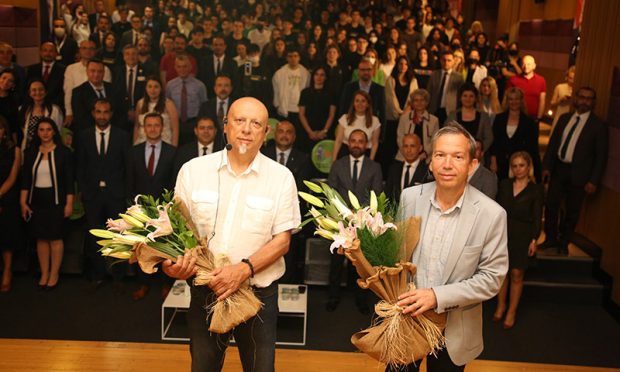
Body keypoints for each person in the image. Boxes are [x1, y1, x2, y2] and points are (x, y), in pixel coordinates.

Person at [165, 97, 301, 372]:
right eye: (239, 121)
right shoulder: (193, 171)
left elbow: (282, 241)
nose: (247, 129)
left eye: (256, 124)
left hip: (258, 297)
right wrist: (172, 265)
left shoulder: (281, 177)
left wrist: (243, 270)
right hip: (206, 292)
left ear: (266, 134)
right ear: (225, 126)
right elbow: (176, 234)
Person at [393, 123, 508, 371]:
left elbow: (491, 279)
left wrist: (436, 297)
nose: (447, 164)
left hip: (453, 329)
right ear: (430, 162)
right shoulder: (409, 198)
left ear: (472, 165)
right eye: (440, 155)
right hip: (405, 319)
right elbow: (397, 255)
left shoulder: (492, 214)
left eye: (457, 157)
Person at [541, 87, 608, 255]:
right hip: (559, 169)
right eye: (582, 97)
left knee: (572, 210)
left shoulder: (598, 126)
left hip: (580, 175)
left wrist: (594, 180)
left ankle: (564, 242)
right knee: (551, 205)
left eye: (589, 98)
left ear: (593, 102)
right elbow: (552, 145)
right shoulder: (564, 119)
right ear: (576, 99)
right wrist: (547, 167)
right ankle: (550, 239)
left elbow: (601, 157)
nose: (585, 101)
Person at [76, 99, 130, 292]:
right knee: (94, 237)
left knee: (119, 236)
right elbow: (80, 166)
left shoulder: (122, 136)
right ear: (93, 113)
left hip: (115, 195)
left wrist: (125, 193)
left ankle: (118, 276)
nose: (102, 115)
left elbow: (127, 166)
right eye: (98, 112)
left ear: (111, 113)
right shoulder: (83, 136)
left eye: (105, 112)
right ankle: (98, 275)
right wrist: (85, 191)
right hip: (92, 196)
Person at [327, 129, 383, 313]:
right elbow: (331, 193)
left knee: (361, 263)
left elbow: (375, 194)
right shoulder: (337, 164)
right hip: (340, 222)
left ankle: (361, 300)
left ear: (366, 145)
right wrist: (344, 213)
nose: (357, 144)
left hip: (364, 222)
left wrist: (359, 214)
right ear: (347, 143)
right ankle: (333, 297)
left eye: (361, 141)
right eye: (353, 141)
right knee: (336, 262)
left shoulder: (374, 167)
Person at [127, 112, 176, 300]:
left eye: (157, 125)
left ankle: (166, 285)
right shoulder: (134, 151)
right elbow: (129, 180)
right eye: (149, 125)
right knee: (142, 248)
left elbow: (174, 182)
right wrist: (132, 206)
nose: (153, 128)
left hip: (164, 210)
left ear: (162, 128)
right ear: (143, 128)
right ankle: (143, 284)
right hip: (140, 210)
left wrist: (170, 208)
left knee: (164, 249)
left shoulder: (172, 151)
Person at [20, 117, 74, 290]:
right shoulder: (31, 152)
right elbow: (26, 179)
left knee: (55, 238)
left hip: (57, 200)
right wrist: (23, 202)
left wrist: (69, 204)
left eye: (48, 129)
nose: (45, 133)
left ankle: (54, 273)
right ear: (37, 133)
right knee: (41, 238)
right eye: (41, 130)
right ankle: (44, 272)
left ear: (54, 131)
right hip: (37, 200)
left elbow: (69, 181)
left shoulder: (63, 152)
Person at [494, 151, 543, 329]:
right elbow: (497, 211)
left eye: (521, 165)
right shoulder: (505, 185)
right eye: (514, 166)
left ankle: (511, 312)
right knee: (502, 273)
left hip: (523, 235)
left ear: (529, 167)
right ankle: (500, 306)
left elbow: (538, 217)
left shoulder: (535, 189)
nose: (518, 169)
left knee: (516, 274)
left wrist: (534, 239)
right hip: (503, 234)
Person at [262, 120, 312, 283]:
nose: (284, 135)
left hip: (289, 216)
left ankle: (285, 289)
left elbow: (301, 190)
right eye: (281, 131)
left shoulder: (303, 158)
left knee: (288, 256)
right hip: (263, 215)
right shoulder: (262, 154)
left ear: (294, 136)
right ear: (274, 134)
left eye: (288, 132)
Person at [489, 87, 541, 182]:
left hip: (519, 166)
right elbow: (494, 142)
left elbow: (533, 148)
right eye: (511, 99)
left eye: (517, 99)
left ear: (521, 101)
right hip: (500, 164)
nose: (514, 102)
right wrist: (493, 161)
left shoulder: (529, 122)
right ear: (507, 101)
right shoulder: (499, 119)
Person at [63, 40, 112, 128]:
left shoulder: (105, 69)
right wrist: (69, 112)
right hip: (81, 109)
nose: (88, 51)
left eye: (91, 48)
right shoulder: (71, 69)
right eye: (84, 48)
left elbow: (107, 93)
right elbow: (68, 92)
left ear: (96, 51)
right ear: (79, 50)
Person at [165, 54, 207, 145]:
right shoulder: (170, 85)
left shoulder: (200, 86)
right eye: (179, 66)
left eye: (185, 66)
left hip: (193, 123)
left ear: (190, 67)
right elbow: (167, 106)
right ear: (175, 67)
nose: (182, 69)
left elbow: (204, 106)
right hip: (176, 123)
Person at [0, 117, 21, 292]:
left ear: (4, 131)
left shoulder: (14, 150)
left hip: (8, 197)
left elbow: (13, 177)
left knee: (7, 237)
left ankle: (7, 271)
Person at [298, 66, 337, 153]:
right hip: (307, 131)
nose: (319, 77)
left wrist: (324, 131)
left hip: (325, 131)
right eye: (316, 74)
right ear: (313, 76)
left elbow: (332, 114)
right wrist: (310, 132)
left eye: (322, 75)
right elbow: (301, 114)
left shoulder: (331, 93)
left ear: (326, 77)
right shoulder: (305, 92)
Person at [333, 91, 381, 161]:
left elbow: (375, 144)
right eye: (357, 101)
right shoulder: (345, 118)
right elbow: (338, 141)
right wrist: (334, 160)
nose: (360, 104)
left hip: (365, 155)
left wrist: (370, 161)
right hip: (345, 154)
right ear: (353, 103)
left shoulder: (375, 121)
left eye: (363, 101)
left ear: (368, 104)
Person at [71, 59, 116, 133]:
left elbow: (119, 112)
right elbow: (80, 118)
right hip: (89, 133)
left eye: (100, 71)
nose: (96, 74)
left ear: (104, 73)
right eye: (93, 71)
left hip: (112, 132)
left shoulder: (113, 89)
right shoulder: (78, 92)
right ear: (87, 72)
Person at [446, 84, 493, 153]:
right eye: (465, 96)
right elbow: (446, 135)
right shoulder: (452, 116)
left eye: (471, 96)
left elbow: (489, 137)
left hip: (477, 157)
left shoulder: (483, 116)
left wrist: (479, 151)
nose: (468, 99)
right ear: (460, 98)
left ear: (475, 98)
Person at [19, 79, 64, 150]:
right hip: (27, 150)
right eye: (34, 90)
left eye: (41, 89)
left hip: (48, 149)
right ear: (29, 93)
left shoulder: (55, 110)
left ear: (46, 92)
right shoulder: (22, 109)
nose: (37, 92)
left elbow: (58, 131)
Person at [396, 89, 439, 163]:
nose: (419, 103)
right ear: (412, 103)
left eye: (422, 100)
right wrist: (408, 154)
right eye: (416, 100)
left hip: (426, 159)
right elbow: (400, 138)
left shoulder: (434, 120)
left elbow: (435, 141)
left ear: (427, 102)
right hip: (404, 157)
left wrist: (424, 154)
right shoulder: (404, 118)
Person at [112, 45, 148, 133]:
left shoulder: (146, 71)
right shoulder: (116, 72)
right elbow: (114, 94)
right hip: (120, 115)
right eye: (127, 54)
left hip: (141, 113)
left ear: (138, 56)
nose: (131, 57)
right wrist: (126, 112)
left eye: (134, 54)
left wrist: (137, 111)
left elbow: (147, 93)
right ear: (124, 57)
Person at [339, 59, 386, 126]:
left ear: (373, 71)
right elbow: (343, 109)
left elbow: (383, 114)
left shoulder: (379, 89)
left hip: (372, 127)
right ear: (358, 71)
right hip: (351, 125)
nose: (366, 72)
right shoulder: (348, 87)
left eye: (369, 69)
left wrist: (381, 135)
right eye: (363, 70)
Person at [385, 133, 430, 201]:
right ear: (402, 148)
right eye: (406, 146)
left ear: (420, 148)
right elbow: (387, 195)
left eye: (412, 146)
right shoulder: (394, 169)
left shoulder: (427, 171)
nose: (409, 150)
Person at [272, 47, 310, 125]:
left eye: (295, 56)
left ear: (299, 58)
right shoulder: (279, 74)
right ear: (287, 58)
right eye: (290, 56)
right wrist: (277, 105)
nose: (293, 58)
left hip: (300, 110)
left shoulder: (306, 73)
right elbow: (275, 91)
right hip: (285, 109)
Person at [26, 42, 66, 110]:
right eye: (45, 50)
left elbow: (63, 92)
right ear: (40, 53)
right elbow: (28, 89)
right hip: (34, 107)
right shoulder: (31, 69)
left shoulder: (64, 70)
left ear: (56, 53)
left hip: (56, 107)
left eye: (51, 51)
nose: (48, 54)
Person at [427, 50, 464, 125]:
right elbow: (428, 92)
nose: (446, 63)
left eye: (449, 60)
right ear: (440, 61)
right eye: (444, 60)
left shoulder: (458, 77)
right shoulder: (434, 75)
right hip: (434, 109)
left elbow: (461, 96)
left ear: (453, 61)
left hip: (450, 111)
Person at [506, 55, 546, 123]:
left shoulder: (541, 80)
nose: (526, 66)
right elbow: (506, 99)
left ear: (534, 66)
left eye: (528, 64)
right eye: (523, 64)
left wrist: (539, 118)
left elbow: (542, 101)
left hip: (533, 118)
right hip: (516, 117)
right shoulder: (513, 80)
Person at [549, 65, 575, 132]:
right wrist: (560, 100)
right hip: (560, 114)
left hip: (572, 116)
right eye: (570, 78)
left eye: (574, 78)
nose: (572, 80)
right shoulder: (560, 87)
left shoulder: (578, 89)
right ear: (567, 77)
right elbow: (552, 103)